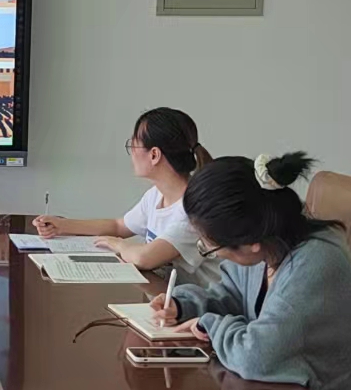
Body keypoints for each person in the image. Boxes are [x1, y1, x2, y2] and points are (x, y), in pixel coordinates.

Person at [151, 151, 351, 390]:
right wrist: (183, 305)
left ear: (250, 243)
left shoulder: (315, 266)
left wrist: (208, 324)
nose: (214, 254)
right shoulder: (269, 243)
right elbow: (231, 294)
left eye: (211, 247)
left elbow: (256, 357)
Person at [31, 106, 215, 286]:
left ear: (154, 155)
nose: (131, 153)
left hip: (202, 304)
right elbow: (118, 226)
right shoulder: (156, 195)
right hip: (167, 295)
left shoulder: (193, 209)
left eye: (133, 145)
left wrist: (119, 245)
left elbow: (144, 258)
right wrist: (62, 226)